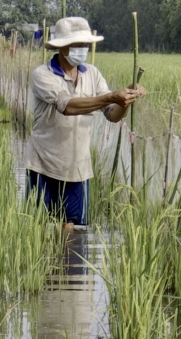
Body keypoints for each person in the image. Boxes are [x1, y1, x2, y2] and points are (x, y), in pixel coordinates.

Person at [25, 16, 145, 232]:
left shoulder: (92, 74)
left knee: (71, 232)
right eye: (77, 44)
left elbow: (112, 114)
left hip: (78, 168)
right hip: (44, 164)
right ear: (62, 47)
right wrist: (111, 97)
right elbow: (67, 106)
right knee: (39, 229)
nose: (83, 49)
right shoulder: (43, 74)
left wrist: (125, 100)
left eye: (85, 45)